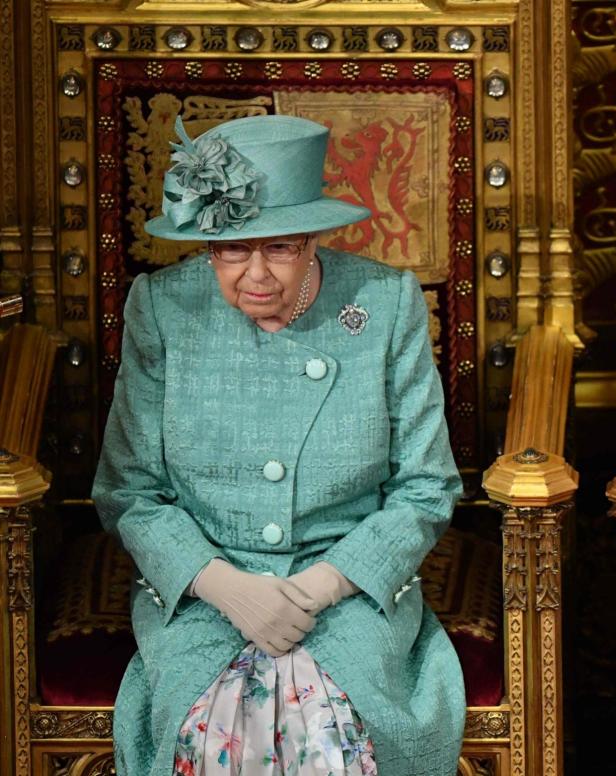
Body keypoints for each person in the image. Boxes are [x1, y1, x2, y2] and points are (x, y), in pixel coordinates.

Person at [93, 114, 465, 776]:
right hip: (205, 591)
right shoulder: (162, 307)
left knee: (333, 732)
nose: (255, 275)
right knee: (207, 731)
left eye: (282, 248)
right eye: (232, 252)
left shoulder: (383, 302)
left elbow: (426, 486)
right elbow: (129, 491)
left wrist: (319, 588)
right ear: (207, 244)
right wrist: (229, 589)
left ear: (314, 238)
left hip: (347, 589)